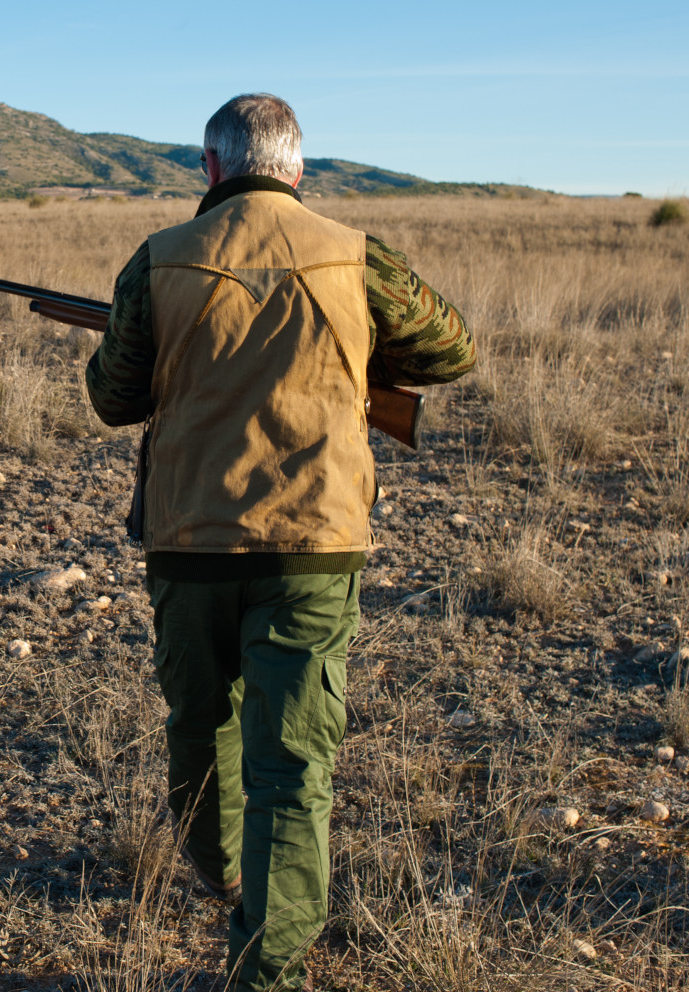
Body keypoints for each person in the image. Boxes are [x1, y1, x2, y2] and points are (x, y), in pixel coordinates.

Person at [85, 93, 476, 991]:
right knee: (294, 767)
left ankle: (221, 869)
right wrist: (354, 351)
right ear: (299, 171)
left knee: (199, 726)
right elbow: (451, 349)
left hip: (189, 538)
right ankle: (271, 972)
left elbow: (112, 398)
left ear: (211, 169)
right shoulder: (356, 253)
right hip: (318, 542)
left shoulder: (159, 258)